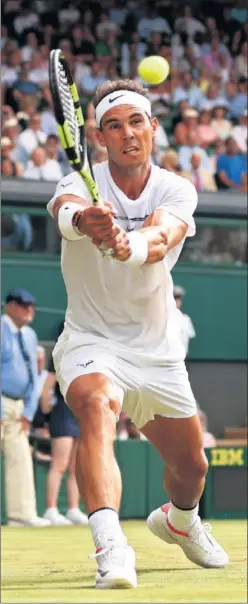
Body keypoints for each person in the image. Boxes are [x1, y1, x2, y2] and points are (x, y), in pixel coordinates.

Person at [47, 79, 229, 589]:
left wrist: (127, 243)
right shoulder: (81, 183)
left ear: (153, 128)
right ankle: (111, 546)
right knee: (95, 403)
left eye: (136, 122)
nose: (127, 134)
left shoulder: (177, 187)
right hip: (91, 340)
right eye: (113, 126)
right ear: (99, 139)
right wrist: (87, 219)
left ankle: (180, 520)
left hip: (157, 350)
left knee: (192, 468)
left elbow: (164, 231)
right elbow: (62, 209)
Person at [1, 288, 51, 527]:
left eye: (31, 305)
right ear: (9, 306)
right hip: (1, 403)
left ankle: (20, 515)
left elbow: (34, 376)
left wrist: (29, 413)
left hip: (19, 408)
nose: (29, 310)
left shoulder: (30, 335)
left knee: (20, 460)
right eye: (23, 305)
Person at [40, 322, 88, 526]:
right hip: (62, 412)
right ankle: (51, 509)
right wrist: (48, 415)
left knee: (75, 467)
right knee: (59, 464)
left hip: (80, 413)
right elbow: (45, 391)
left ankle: (73, 509)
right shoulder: (58, 356)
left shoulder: (86, 357)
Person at [173, 286, 196, 357]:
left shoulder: (186, 319)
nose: (177, 303)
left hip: (182, 356)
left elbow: (190, 335)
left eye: (178, 300)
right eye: (174, 300)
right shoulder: (163, 318)